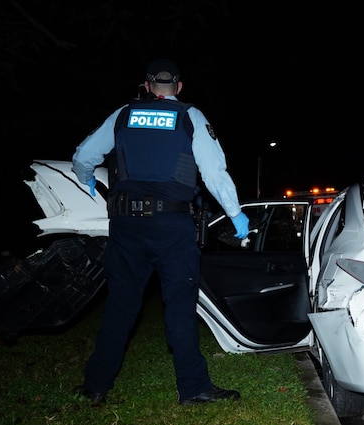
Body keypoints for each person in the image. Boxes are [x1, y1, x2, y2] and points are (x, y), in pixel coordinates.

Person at [71, 58, 249, 405]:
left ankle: (95, 386)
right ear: (179, 87)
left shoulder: (123, 115)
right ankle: (194, 388)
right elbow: (214, 173)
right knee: (180, 307)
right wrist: (236, 215)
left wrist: (87, 179)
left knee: (120, 307)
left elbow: (83, 156)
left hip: (126, 227)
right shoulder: (189, 116)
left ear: (147, 86)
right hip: (172, 226)